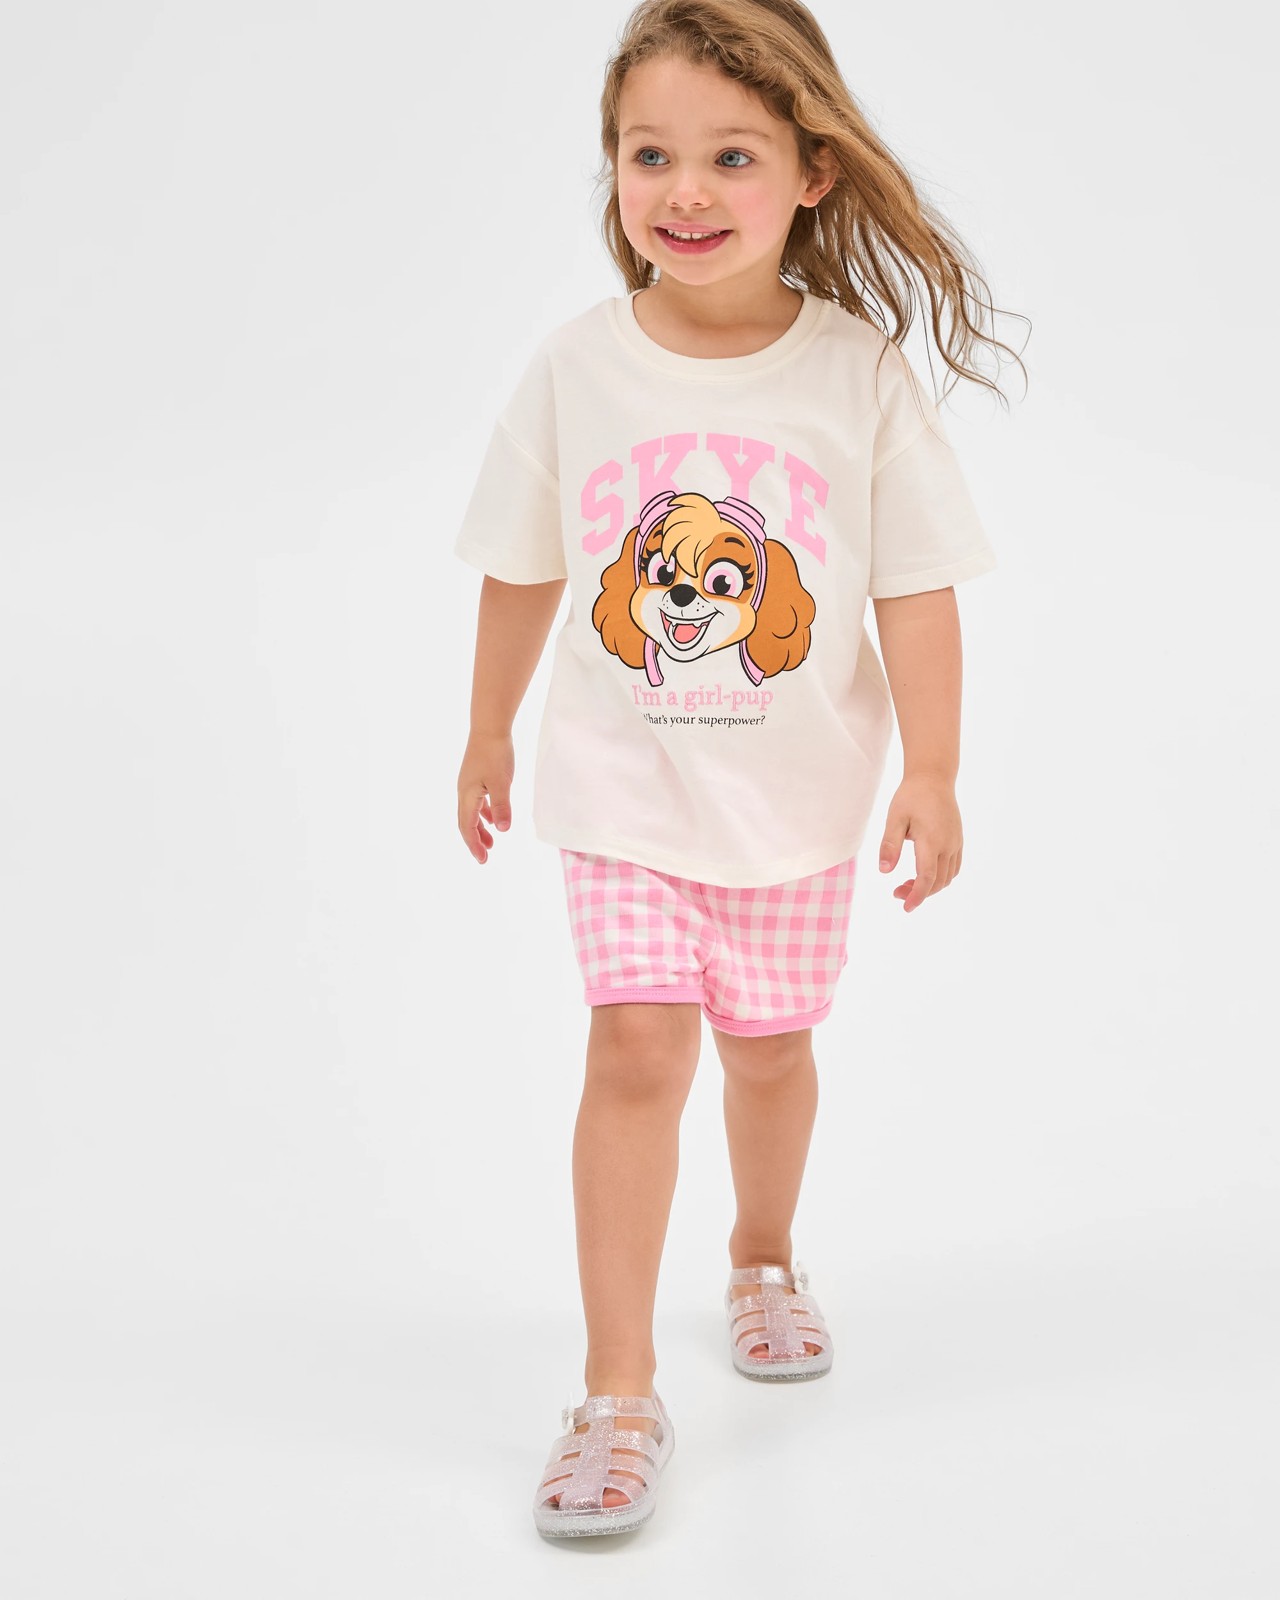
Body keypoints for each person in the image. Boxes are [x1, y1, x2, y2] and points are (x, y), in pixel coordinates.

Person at [452, 0, 1025, 1540]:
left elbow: (916, 585)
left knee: (769, 1052)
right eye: (650, 155)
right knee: (638, 1051)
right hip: (621, 792)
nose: (685, 192)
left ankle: (761, 1254)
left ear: (811, 172)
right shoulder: (577, 368)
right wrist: (489, 726)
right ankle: (618, 1390)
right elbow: (523, 562)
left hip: (796, 807)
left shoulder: (856, 377)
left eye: (730, 156)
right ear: (612, 168)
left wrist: (935, 769)